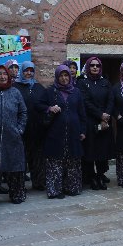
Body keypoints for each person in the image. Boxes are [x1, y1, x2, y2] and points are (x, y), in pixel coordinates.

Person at [39, 65, 86, 199]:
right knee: (55, 162)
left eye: (66, 75)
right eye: (61, 76)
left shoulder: (76, 92)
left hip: (73, 133)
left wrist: (83, 130)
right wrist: (49, 108)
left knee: (73, 162)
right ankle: (55, 190)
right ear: (57, 77)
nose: (64, 78)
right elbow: (38, 105)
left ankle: (72, 187)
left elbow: (82, 113)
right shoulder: (51, 91)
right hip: (55, 133)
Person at [0, 65, 28, 204]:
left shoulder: (15, 92)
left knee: (14, 167)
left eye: (5, 74)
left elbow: (23, 112)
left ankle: (17, 194)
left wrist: (19, 129)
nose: (2, 77)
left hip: (12, 137)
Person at [77, 57, 114, 190]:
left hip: (104, 123)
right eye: (92, 65)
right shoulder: (82, 83)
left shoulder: (105, 82)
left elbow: (111, 100)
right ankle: (91, 176)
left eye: (97, 65)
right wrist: (100, 115)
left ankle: (100, 175)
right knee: (90, 151)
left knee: (102, 151)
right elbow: (85, 102)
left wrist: (106, 116)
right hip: (90, 122)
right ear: (88, 66)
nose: (95, 67)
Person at [14, 61, 47, 191]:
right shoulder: (15, 87)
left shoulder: (39, 88)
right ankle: (19, 185)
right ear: (22, 71)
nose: (29, 73)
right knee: (21, 158)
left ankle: (38, 182)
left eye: (31, 70)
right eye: (26, 70)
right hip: (21, 129)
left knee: (38, 157)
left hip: (37, 129)